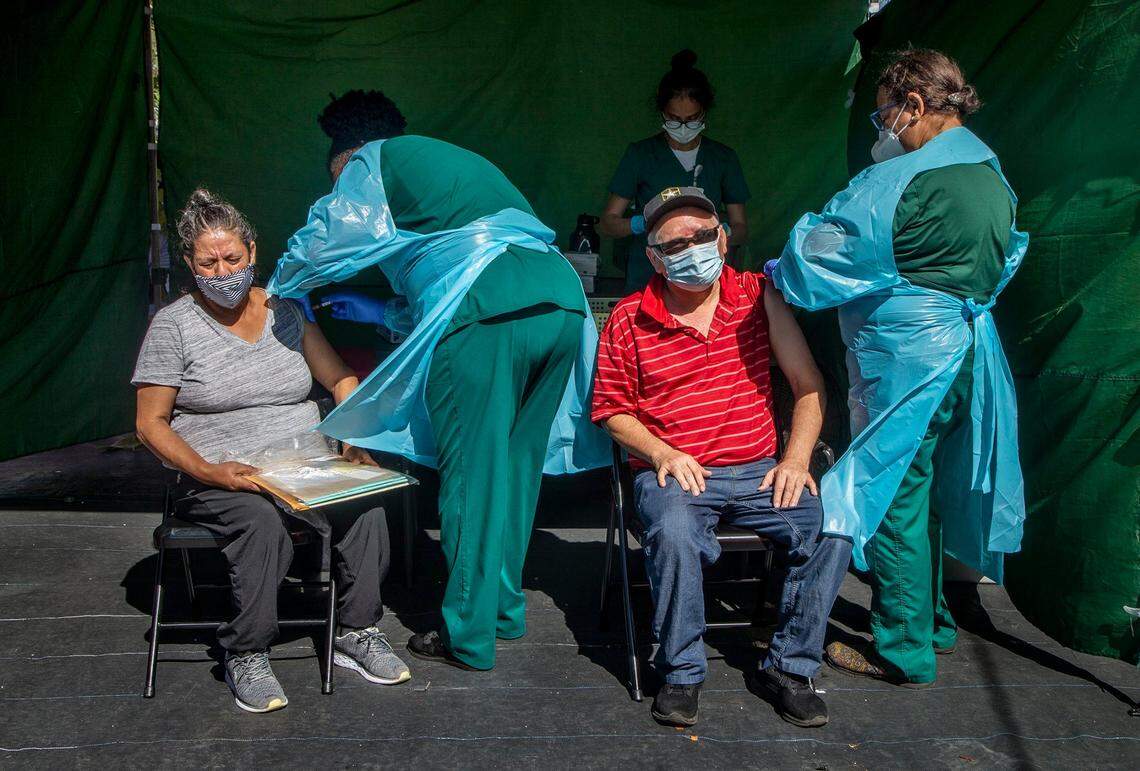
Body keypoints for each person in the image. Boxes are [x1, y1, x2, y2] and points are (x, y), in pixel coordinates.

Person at [267, 90, 609, 673]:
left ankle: (468, 636)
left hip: (488, 310)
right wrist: (377, 312)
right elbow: (440, 275)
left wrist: (277, 283)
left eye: (336, 176)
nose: (337, 186)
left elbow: (329, 234)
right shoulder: (449, 165)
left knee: (471, 474)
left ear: (346, 155)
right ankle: (502, 609)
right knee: (514, 468)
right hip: (558, 301)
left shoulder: (371, 160)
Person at [767, 49, 1028, 688]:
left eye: (885, 113)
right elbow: (1010, 254)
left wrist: (776, 274)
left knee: (892, 495)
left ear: (914, 105)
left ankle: (902, 649)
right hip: (968, 350)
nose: (882, 128)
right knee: (928, 486)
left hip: (909, 361)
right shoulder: (992, 175)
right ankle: (934, 621)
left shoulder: (899, 181)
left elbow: (822, 256)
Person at [132, 189, 411, 713]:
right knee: (259, 520)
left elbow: (340, 378)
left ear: (253, 252)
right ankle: (247, 650)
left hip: (306, 464)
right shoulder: (174, 326)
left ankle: (356, 630)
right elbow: (150, 423)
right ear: (190, 264)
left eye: (232, 258)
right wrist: (210, 471)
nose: (223, 271)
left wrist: (352, 439)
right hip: (222, 475)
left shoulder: (286, 313)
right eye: (208, 262)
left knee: (369, 503)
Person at [592, 186, 852, 728]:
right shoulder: (627, 317)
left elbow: (808, 384)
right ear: (653, 257)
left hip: (761, 469)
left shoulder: (759, 295)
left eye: (703, 235)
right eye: (674, 243)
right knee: (676, 532)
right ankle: (682, 672)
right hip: (677, 469)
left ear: (724, 239)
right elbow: (612, 410)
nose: (692, 248)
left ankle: (790, 666)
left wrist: (797, 458)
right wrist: (662, 452)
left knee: (832, 526)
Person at [600, 50, 750, 293]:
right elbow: (608, 223)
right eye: (674, 119)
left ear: (704, 113)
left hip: (705, 279)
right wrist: (642, 223)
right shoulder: (641, 155)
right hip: (647, 278)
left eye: (691, 119)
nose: (682, 127)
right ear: (662, 113)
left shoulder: (722, 159)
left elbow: (741, 228)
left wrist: (717, 235)